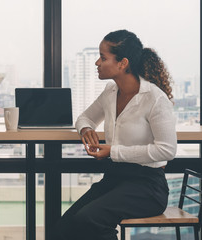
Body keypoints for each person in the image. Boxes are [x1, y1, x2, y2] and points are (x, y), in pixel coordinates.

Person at [53, 29, 177, 240]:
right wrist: (86, 129)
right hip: (115, 179)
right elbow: (84, 118)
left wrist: (114, 151)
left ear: (122, 63)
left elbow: (167, 150)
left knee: (90, 219)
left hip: (147, 187)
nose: (97, 63)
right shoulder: (111, 92)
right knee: (63, 227)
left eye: (103, 58)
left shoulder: (155, 99)